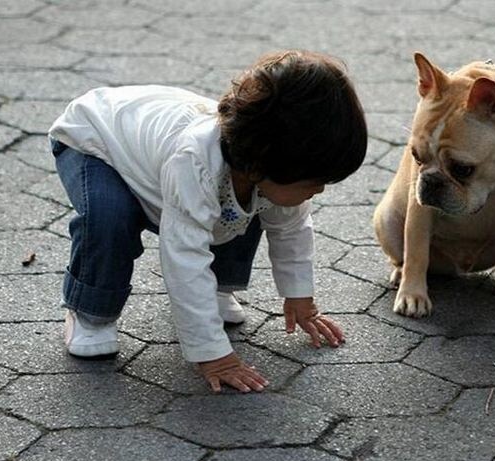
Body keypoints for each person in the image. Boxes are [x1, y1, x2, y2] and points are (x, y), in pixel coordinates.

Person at [48, 50, 368, 393]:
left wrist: (301, 298)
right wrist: (213, 354)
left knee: (248, 205)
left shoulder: (263, 162)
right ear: (263, 164)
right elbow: (183, 257)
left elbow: (291, 230)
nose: (318, 190)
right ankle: (91, 311)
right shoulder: (194, 162)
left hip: (155, 149)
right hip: (96, 141)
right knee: (111, 216)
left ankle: (216, 288)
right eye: (312, 181)